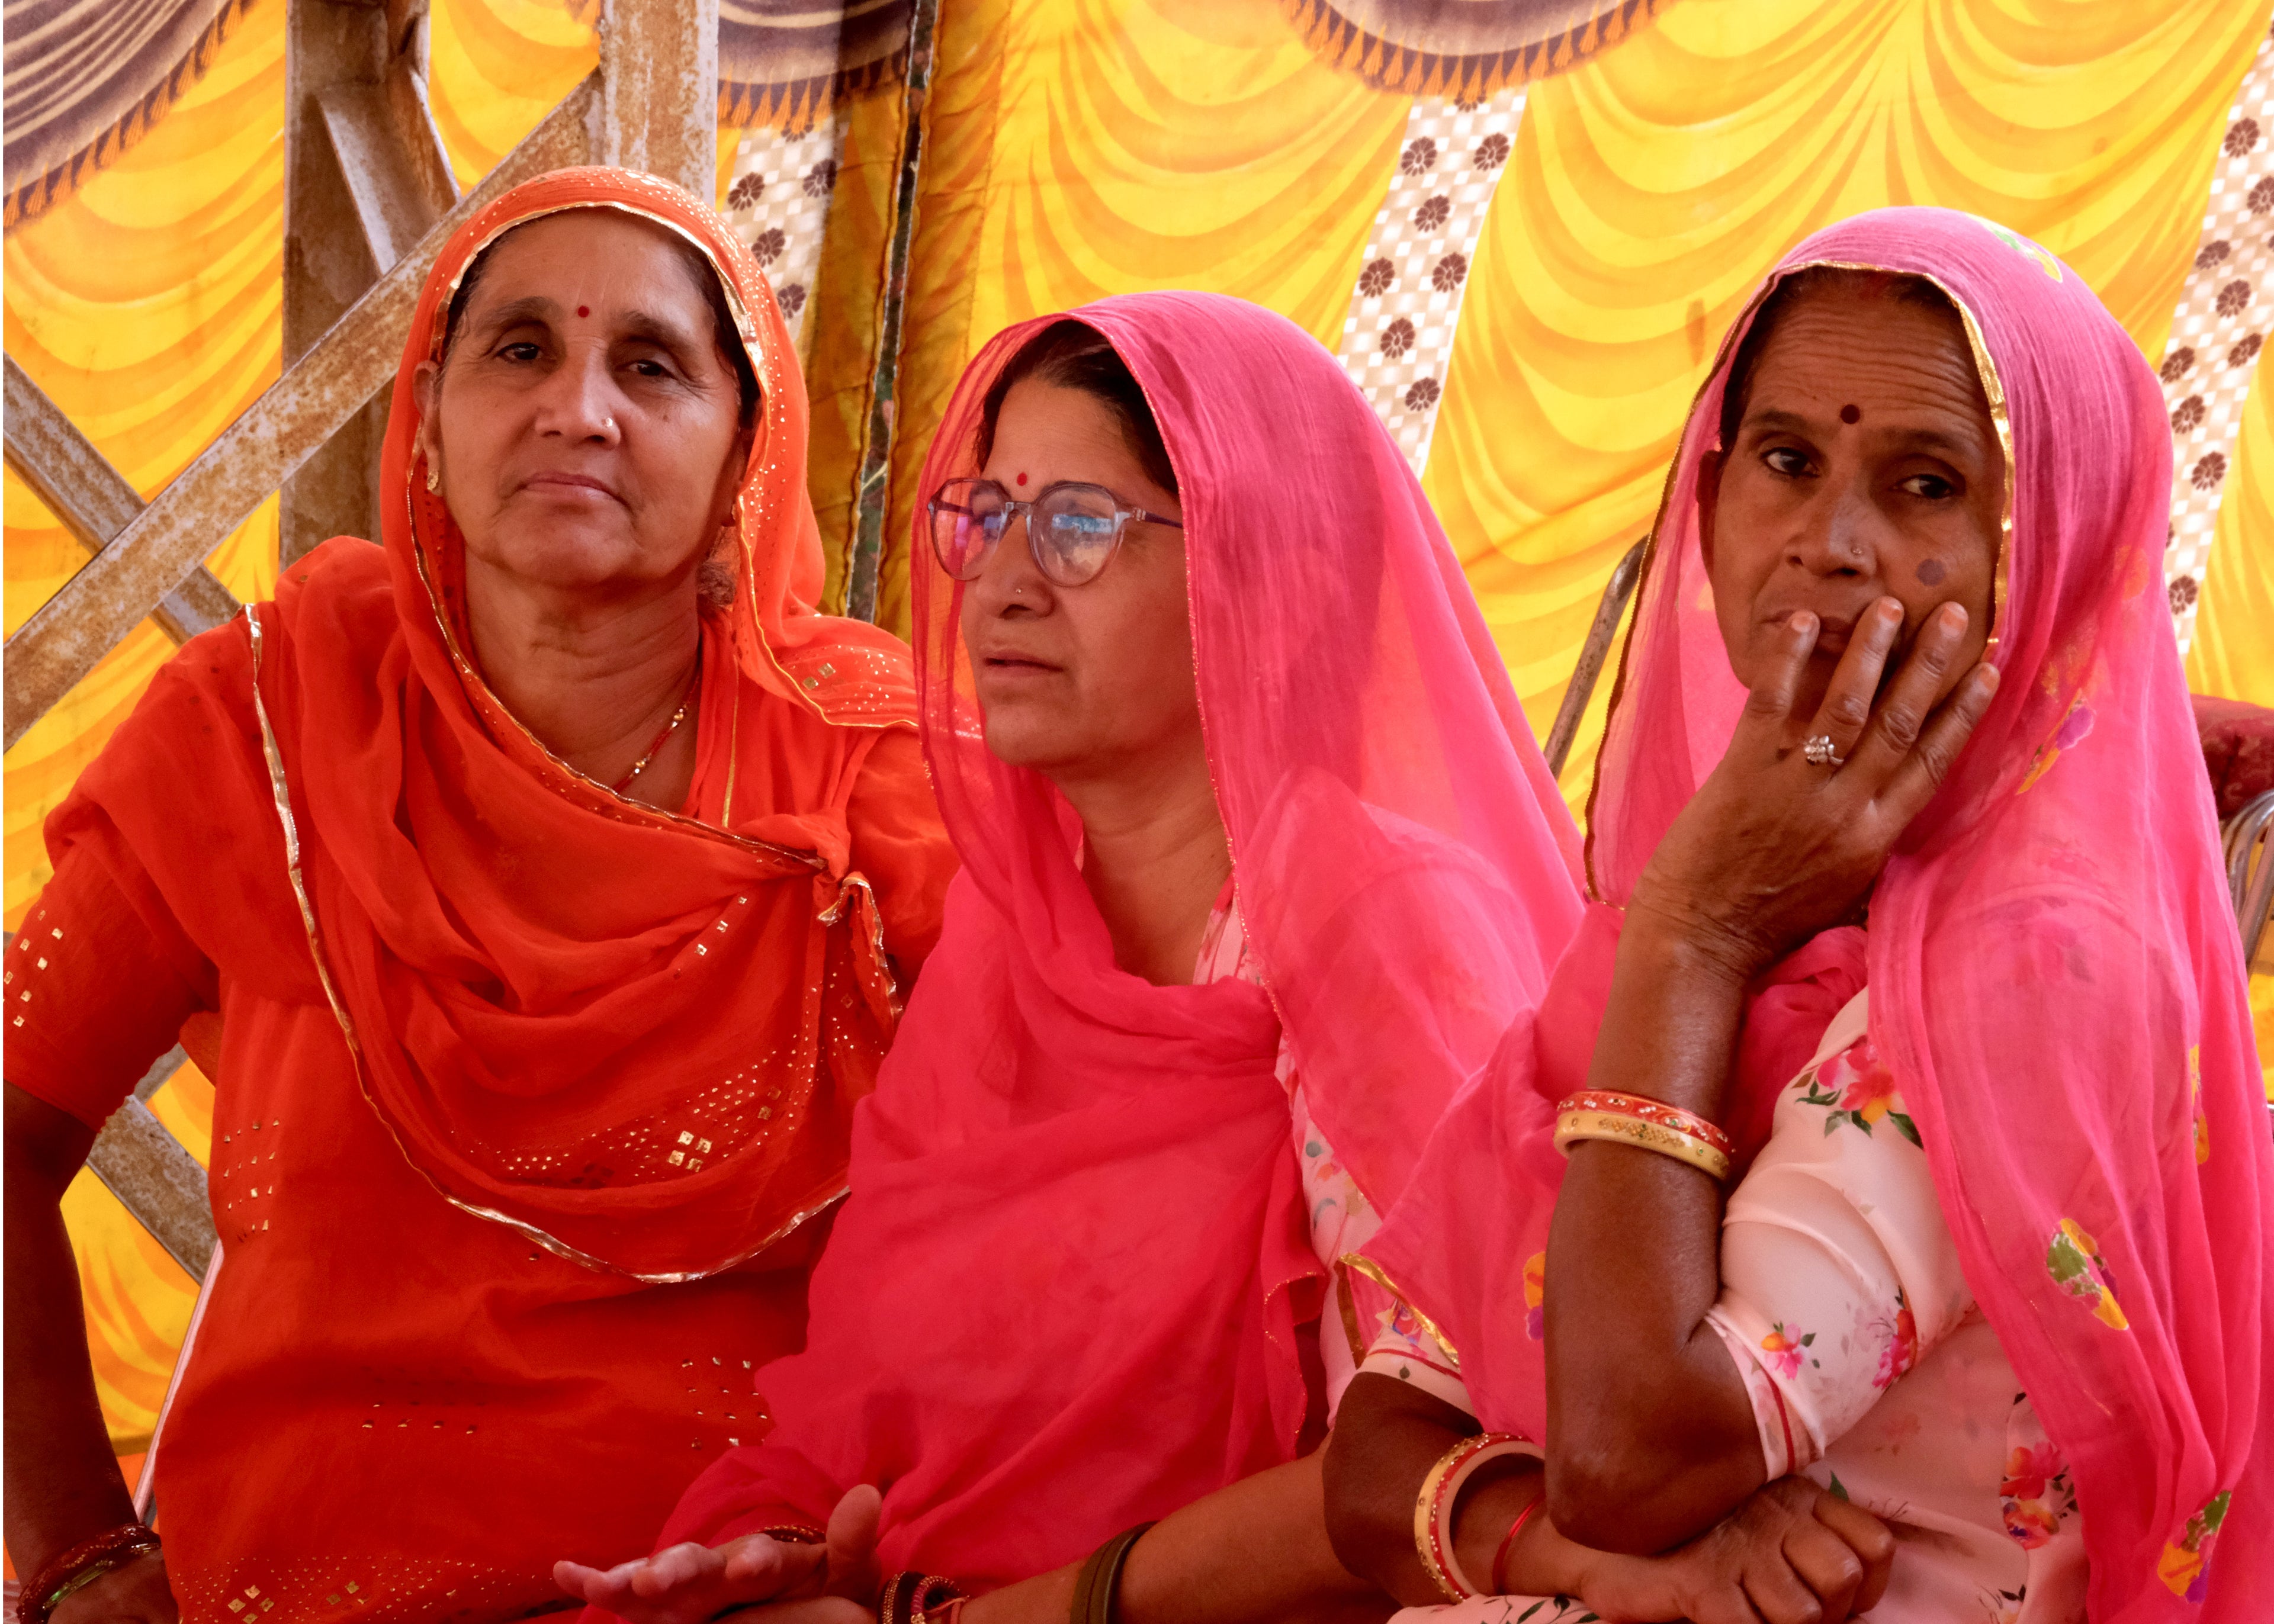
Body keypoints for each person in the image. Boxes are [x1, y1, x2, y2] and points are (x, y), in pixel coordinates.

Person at [556, 294, 1903, 1624]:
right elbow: (873, 1390)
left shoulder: (1367, 917)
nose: (1007, 583)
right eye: (986, 516)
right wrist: (780, 1554)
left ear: (1268, 570)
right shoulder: (1017, 921)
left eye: (1081, 526)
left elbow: (1437, 1449)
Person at [3, 167, 955, 1624]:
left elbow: (1060, 1200)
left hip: (751, 1591)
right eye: (519, 348)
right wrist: (71, 1549)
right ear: (431, 424)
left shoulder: (878, 773)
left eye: (652, 364)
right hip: (297, 1590)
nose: (579, 407)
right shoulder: (266, 723)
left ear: (742, 459)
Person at [1326, 207, 2272, 1623]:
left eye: (1927, 483)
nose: (1831, 543)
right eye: (1785, 461)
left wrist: (1699, 939)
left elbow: (1630, 1453)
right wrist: (1599, 1564)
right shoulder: (1698, 891)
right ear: (1708, 508)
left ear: (2055, 551)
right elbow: (1369, 1465)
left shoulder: (2044, 959)